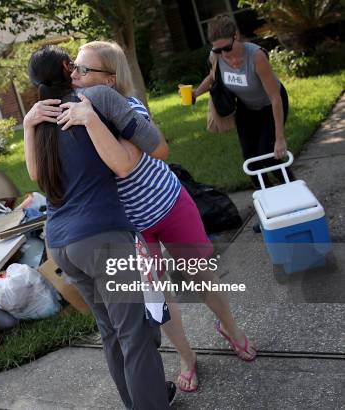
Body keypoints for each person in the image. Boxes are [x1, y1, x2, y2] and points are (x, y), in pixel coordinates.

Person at [25, 41, 256, 393]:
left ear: (111, 80)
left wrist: (92, 120)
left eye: (85, 70)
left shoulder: (121, 107)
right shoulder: (72, 113)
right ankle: (186, 358)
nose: (76, 75)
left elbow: (137, 158)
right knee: (157, 299)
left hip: (167, 205)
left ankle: (232, 329)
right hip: (131, 225)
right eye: (75, 69)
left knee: (201, 276)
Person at [25, 45, 175, 409]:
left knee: (111, 332)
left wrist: (29, 124)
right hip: (102, 239)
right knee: (135, 333)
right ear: (67, 67)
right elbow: (157, 148)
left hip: (59, 242)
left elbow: (37, 179)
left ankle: (147, 396)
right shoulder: (98, 99)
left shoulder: (40, 119)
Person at [192, 14, 294, 189]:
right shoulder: (216, 56)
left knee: (269, 156)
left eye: (226, 47)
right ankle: (268, 198)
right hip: (247, 107)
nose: (223, 52)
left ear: (236, 36)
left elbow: (275, 97)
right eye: (218, 49)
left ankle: (295, 190)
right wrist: (195, 93)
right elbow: (212, 77)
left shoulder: (256, 57)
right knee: (251, 162)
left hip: (271, 105)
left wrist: (280, 138)